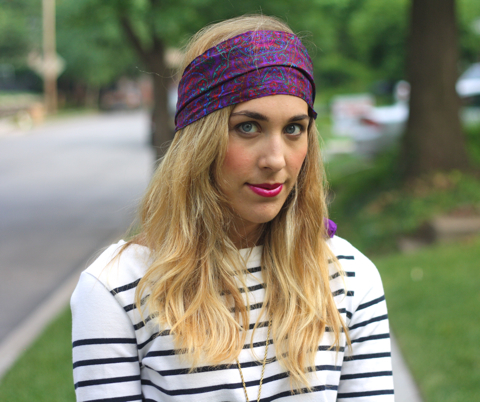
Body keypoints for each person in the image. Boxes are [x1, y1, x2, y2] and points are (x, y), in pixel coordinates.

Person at [71, 15, 394, 402]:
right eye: (248, 127)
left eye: (293, 128)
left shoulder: (349, 278)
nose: (275, 159)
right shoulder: (117, 289)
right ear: (200, 140)